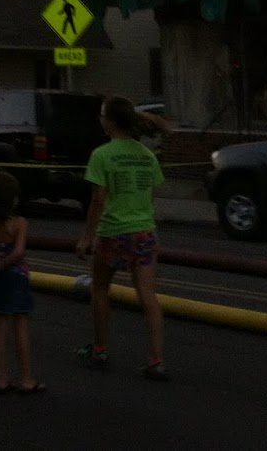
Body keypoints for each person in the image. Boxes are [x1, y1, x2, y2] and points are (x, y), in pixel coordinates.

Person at [75, 94, 171, 380]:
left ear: (111, 121)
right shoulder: (146, 155)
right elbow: (151, 196)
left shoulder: (102, 155)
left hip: (113, 231)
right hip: (143, 230)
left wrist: (88, 236)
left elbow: (98, 200)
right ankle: (156, 358)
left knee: (101, 288)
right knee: (148, 295)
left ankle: (100, 348)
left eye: (103, 115)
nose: (100, 119)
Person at [0, 170, 43, 394]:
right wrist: (7, 262)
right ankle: (27, 378)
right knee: (21, 323)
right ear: (11, 200)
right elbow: (20, 251)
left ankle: (2, 378)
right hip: (17, 276)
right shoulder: (20, 223)